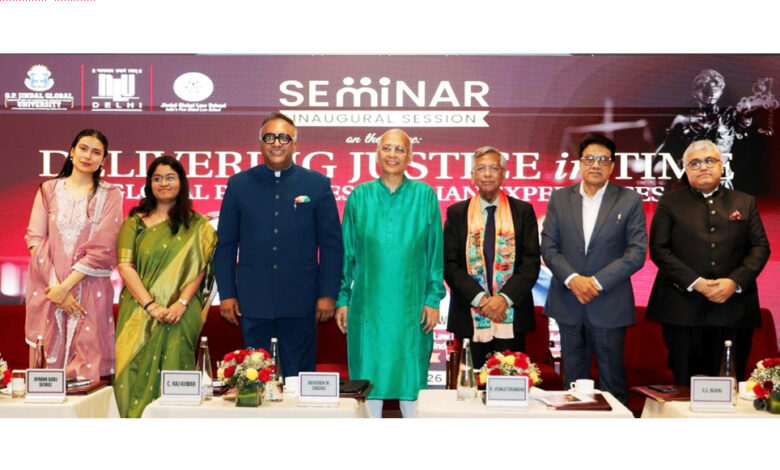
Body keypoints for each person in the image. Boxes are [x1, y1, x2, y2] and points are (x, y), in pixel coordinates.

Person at [215, 111, 342, 379]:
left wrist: (327, 293)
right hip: (253, 300)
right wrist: (226, 293)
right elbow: (226, 245)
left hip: (302, 300)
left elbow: (331, 246)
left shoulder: (317, 185)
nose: (276, 143)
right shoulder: (239, 185)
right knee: (254, 378)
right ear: (261, 143)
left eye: (284, 137)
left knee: (299, 379)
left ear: (295, 144)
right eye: (270, 137)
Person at [335, 128, 445, 418]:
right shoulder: (359, 196)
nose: (392, 154)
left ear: (410, 156)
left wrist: (433, 298)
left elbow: (435, 253)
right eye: (387, 148)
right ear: (377, 154)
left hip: (412, 307)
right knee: (369, 376)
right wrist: (342, 298)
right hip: (367, 308)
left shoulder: (425, 196)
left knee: (410, 377)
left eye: (399, 149)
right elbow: (346, 254)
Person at [646, 139, 770, 384]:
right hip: (683, 307)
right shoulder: (670, 202)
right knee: (684, 383)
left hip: (733, 308)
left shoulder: (744, 201)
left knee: (729, 382)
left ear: (721, 166)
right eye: (695, 163)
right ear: (685, 169)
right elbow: (659, 250)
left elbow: (760, 247)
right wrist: (697, 283)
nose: (703, 167)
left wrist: (734, 282)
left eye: (710, 161)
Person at [541, 133, 646, 405]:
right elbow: (549, 247)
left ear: (612, 166)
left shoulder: (629, 200)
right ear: (580, 163)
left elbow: (636, 253)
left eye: (603, 159)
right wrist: (573, 279)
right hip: (568, 301)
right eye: (590, 158)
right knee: (572, 385)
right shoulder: (559, 198)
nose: (596, 164)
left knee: (612, 381)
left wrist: (596, 282)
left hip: (609, 303)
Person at [114, 156, 216, 418]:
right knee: (132, 374)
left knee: (176, 371)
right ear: (149, 184)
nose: (163, 183)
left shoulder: (197, 225)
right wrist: (151, 306)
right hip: (138, 312)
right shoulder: (134, 222)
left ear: (181, 182)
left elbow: (199, 269)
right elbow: (125, 266)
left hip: (181, 313)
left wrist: (181, 303)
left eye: (170, 177)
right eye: (157, 178)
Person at [24, 129, 123, 381]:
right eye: (83, 148)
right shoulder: (48, 190)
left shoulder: (111, 194)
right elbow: (35, 239)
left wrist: (66, 288)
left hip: (90, 287)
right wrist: (56, 288)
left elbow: (104, 248)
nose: (88, 156)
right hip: (48, 288)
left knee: (86, 374)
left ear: (103, 160)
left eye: (96, 152)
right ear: (72, 151)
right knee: (47, 372)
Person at [444, 146, 540, 370]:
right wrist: (481, 300)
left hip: (512, 313)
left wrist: (504, 299)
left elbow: (531, 263)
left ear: (503, 174)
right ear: (472, 176)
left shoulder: (523, 211)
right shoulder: (457, 213)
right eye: (481, 169)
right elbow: (449, 264)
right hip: (469, 315)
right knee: (472, 384)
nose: (487, 174)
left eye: (493, 168)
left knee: (509, 382)